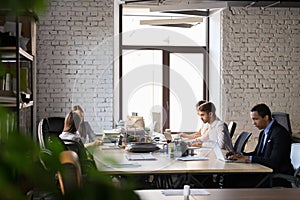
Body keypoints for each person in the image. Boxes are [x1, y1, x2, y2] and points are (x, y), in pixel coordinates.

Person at [226, 103, 294, 175]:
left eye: (256, 119)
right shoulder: (263, 132)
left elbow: (274, 162)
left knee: (233, 180)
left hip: (276, 175)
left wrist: (247, 158)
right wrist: (239, 155)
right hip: (264, 171)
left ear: (266, 118)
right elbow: (257, 154)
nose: (253, 123)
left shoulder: (280, 133)